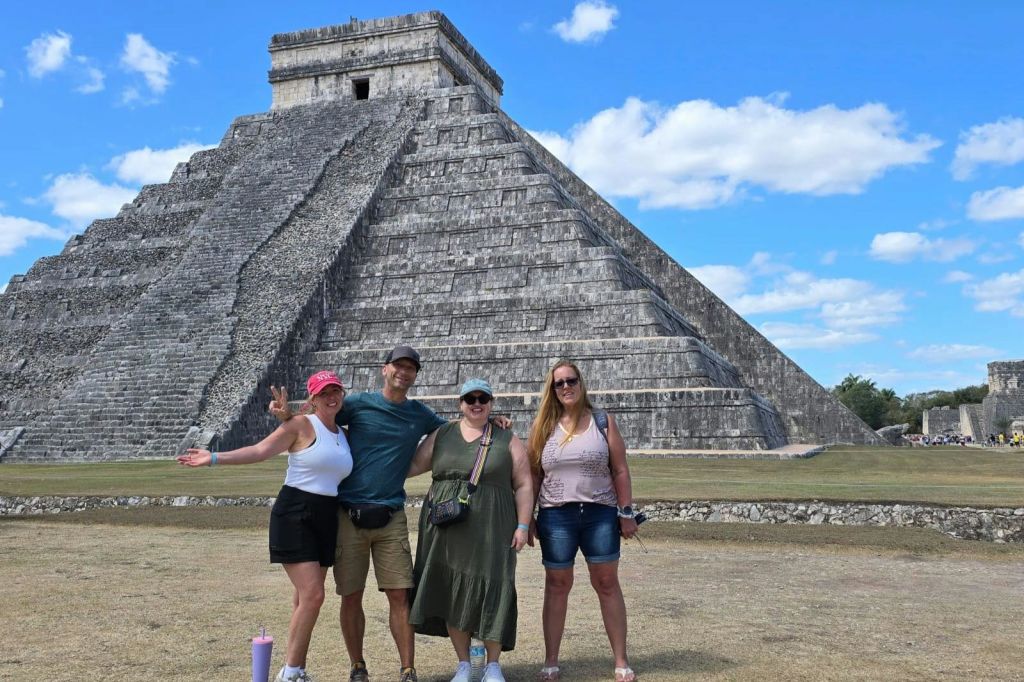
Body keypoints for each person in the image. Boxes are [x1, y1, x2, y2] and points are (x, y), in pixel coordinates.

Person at [270, 346, 510, 682]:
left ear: (415, 375)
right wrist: (287, 415)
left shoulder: (420, 414)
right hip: (349, 515)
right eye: (398, 365)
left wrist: (491, 423)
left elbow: (458, 430)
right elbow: (320, 415)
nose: (404, 372)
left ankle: (408, 668)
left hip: (391, 515)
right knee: (351, 596)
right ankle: (357, 665)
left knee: (400, 595)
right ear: (385, 369)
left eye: (411, 368)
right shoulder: (356, 404)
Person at [179, 370, 352, 682]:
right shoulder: (300, 425)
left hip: (327, 515)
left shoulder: (343, 433)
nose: (331, 397)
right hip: (295, 512)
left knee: (304, 598)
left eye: (335, 390)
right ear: (312, 398)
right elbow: (260, 451)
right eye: (324, 392)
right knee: (313, 595)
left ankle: (294, 669)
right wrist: (214, 458)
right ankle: (291, 673)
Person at [406, 379, 533, 682]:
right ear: (460, 402)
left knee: (495, 585)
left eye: (483, 399)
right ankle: (463, 663)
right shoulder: (443, 434)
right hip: (447, 527)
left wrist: (523, 525)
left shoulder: (505, 437)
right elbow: (410, 465)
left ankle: (492, 664)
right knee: (452, 590)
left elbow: (524, 483)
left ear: (491, 403)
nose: (477, 404)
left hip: (493, 525)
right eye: (470, 398)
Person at [527, 361, 639, 682]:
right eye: (558, 384)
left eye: (570, 380)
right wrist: (529, 518)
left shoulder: (603, 422)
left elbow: (619, 469)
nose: (565, 387)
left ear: (581, 383)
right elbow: (534, 476)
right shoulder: (543, 427)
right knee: (557, 585)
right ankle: (551, 660)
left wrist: (626, 512)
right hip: (556, 514)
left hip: (599, 512)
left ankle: (621, 659)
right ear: (552, 390)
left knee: (606, 583)